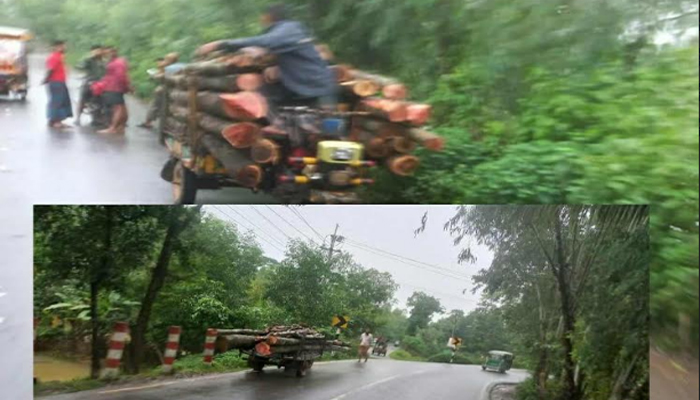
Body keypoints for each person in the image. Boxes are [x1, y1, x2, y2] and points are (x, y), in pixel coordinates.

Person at [196, 4, 336, 116]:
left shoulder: (287, 29)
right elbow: (288, 52)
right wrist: (277, 67)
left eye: (263, 17)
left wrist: (219, 44)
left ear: (269, 16)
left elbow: (266, 42)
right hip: (308, 84)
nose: (261, 20)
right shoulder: (292, 30)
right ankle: (281, 127)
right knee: (266, 92)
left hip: (316, 88)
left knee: (329, 134)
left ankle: (278, 125)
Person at [139, 53, 185, 129]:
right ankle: (169, 123)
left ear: (170, 60)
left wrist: (154, 76)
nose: (164, 60)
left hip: (166, 89)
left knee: (155, 105)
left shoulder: (169, 68)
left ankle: (148, 122)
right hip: (178, 90)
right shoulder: (181, 66)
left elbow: (164, 77)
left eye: (166, 59)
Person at [98, 46, 132, 134]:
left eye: (107, 53)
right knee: (122, 107)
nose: (105, 55)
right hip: (115, 87)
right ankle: (121, 126)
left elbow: (121, 76)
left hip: (114, 87)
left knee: (118, 108)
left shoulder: (117, 63)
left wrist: (126, 86)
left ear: (113, 53)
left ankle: (112, 128)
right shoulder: (115, 62)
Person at [43, 40, 73, 129]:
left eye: (63, 46)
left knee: (59, 101)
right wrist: (46, 79)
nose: (64, 48)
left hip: (60, 81)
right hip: (56, 82)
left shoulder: (60, 57)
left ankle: (53, 120)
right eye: (62, 46)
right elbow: (50, 70)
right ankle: (56, 121)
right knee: (57, 101)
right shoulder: (54, 57)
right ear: (55, 47)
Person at [75, 44, 106, 125]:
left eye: (100, 50)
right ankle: (78, 118)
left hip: (100, 83)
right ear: (92, 51)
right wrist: (89, 57)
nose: (98, 52)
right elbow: (79, 66)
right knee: (82, 99)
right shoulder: (88, 60)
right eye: (96, 50)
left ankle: (97, 118)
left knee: (100, 100)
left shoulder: (104, 61)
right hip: (89, 82)